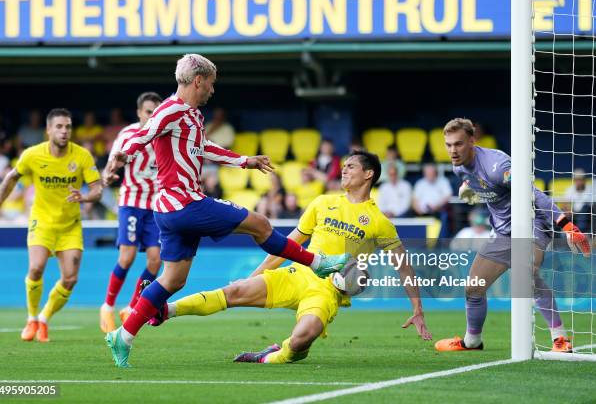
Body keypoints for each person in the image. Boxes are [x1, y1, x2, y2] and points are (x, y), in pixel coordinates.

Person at [102, 54, 350, 368]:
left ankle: (122, 337)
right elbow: (144, 133)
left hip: (169, 211)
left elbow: (204, 148)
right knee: (260, 224)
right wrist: (119, 157)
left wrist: (244, 160)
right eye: (211, 84)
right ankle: (318, 263)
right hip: (185, 203)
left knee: (173, 280)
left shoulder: (191, 116)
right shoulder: (171, 109)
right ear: (198, 81)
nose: (213, 91)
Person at [148, 151, 431, 364]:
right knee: (234, 291)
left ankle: (269, 356)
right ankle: (165, 310)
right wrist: (254, 277)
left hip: (327, 292)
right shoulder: (323, 203)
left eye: (351, 166)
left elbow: (403, 266)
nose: (343, 170)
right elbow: (286, 245)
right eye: (343, 166)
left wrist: (417, 308)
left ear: (369, 174)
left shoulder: (379, 221)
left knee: (300, 341)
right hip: (298, 274)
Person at [435, 118, 591, 353]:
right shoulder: (458, 167)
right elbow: (472, 179)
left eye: (458, 144)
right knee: (473, 287)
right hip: (502, 231)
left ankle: (560, 339)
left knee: (525, 277)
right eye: (448, 145)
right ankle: (472, 342)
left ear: (472, 141)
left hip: (532, 222)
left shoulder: (498, 166)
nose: (452, 150)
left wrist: (566, 225)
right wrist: (466, 187)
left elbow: (534, 194)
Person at [0, 108, 102, 342]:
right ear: (48, 130)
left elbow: (97, 189)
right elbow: (11, 179)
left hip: (70, 225)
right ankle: (31, 318)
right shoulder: (32, 155)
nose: (64, 131)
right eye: (59, 126)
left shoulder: (82, 156)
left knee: (70, 279)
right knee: (36, 268)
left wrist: (85, 196)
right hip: (42, 223)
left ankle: (44, 318)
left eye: (68, 126)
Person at [99, 92, 163, 333]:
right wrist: (107, 174)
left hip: (156, 205)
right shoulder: (127, 134)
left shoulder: (165, 135)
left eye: (156, 111)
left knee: (156, 261)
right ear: (139, 113)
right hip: (132, 202)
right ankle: (107, 306)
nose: (152, 116)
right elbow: (114, 160)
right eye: (148, 111)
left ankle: (133, 307)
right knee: (126, 257)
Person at [563, 168, 593, 233]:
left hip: (586, 215)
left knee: (585, 209)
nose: (579, 182)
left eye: (581, 179)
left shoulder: (591, 189)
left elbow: (592, 207)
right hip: (573, 214)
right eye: (577, 180)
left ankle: (581, 235)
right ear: (574, 180)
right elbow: (565, 204)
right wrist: (568, 209)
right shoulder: (569, 189)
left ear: (584, 180)